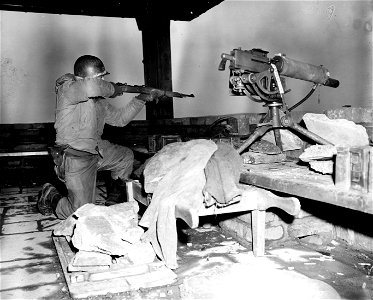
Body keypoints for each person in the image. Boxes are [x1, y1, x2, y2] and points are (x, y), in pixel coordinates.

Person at [37, 54, 164, 219]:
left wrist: (141, 98)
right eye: (100, 77)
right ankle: (50, 196)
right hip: (74, 156)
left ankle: (115, 201)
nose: (103, 80)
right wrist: (120, 88)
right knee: (80, 214)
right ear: (84, 77)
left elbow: (120, 120)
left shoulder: (99, 102)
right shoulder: (67, 88)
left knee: (125, 156)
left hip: (96, 151)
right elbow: (92, 88)